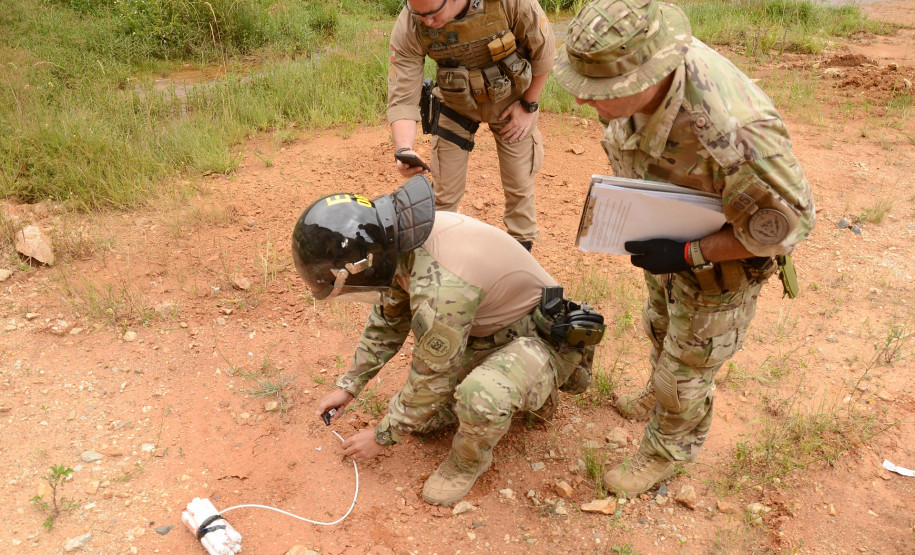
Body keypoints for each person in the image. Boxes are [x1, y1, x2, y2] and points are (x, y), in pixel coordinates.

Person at [553, 0, 816, 497]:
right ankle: (660, 391)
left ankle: (667, 449)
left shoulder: (732, 132)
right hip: (673, 231)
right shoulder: (648, 82)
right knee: (659, 323)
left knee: (687, 366)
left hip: (724, 264)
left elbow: (790, 225)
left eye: (599, 92)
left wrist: (692, 253)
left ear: (641, 76)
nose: (585, 102)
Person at [294, 176, 600, 506]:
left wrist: (383, 437)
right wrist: (350, 384)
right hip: (491, 333)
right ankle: (513, 392)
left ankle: (468, 462)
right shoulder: (397, 242)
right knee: (421, 422)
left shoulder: (443, 286)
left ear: (363, 263)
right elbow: (388, 320)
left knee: (478, 398)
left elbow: (432, 379)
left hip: (541, 341)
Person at [387, 0, 556, 250]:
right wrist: (404, 147)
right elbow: (403, 92)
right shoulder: (413, 18)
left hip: (511, 103)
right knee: (444, 191)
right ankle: (437, 259)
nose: (427, 22)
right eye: (419, 14)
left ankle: (521, 257)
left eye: (433, 14)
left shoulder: (510, 3)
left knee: (519, 185)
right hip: (456, 105)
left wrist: (528, 106)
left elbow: (544, 53)